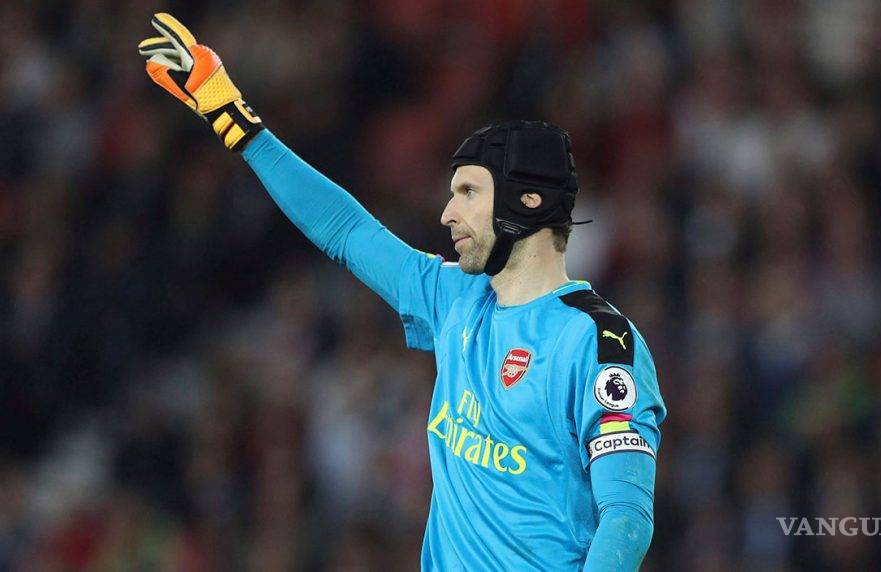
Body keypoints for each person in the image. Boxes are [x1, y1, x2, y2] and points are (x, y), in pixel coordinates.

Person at [138, 13, 666, 571]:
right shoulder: (455, 298)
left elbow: (626, 518)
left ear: (528, 202)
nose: (448, 213)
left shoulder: (598, 344)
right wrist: (233, 119)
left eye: (468, 192)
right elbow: (346, 229)